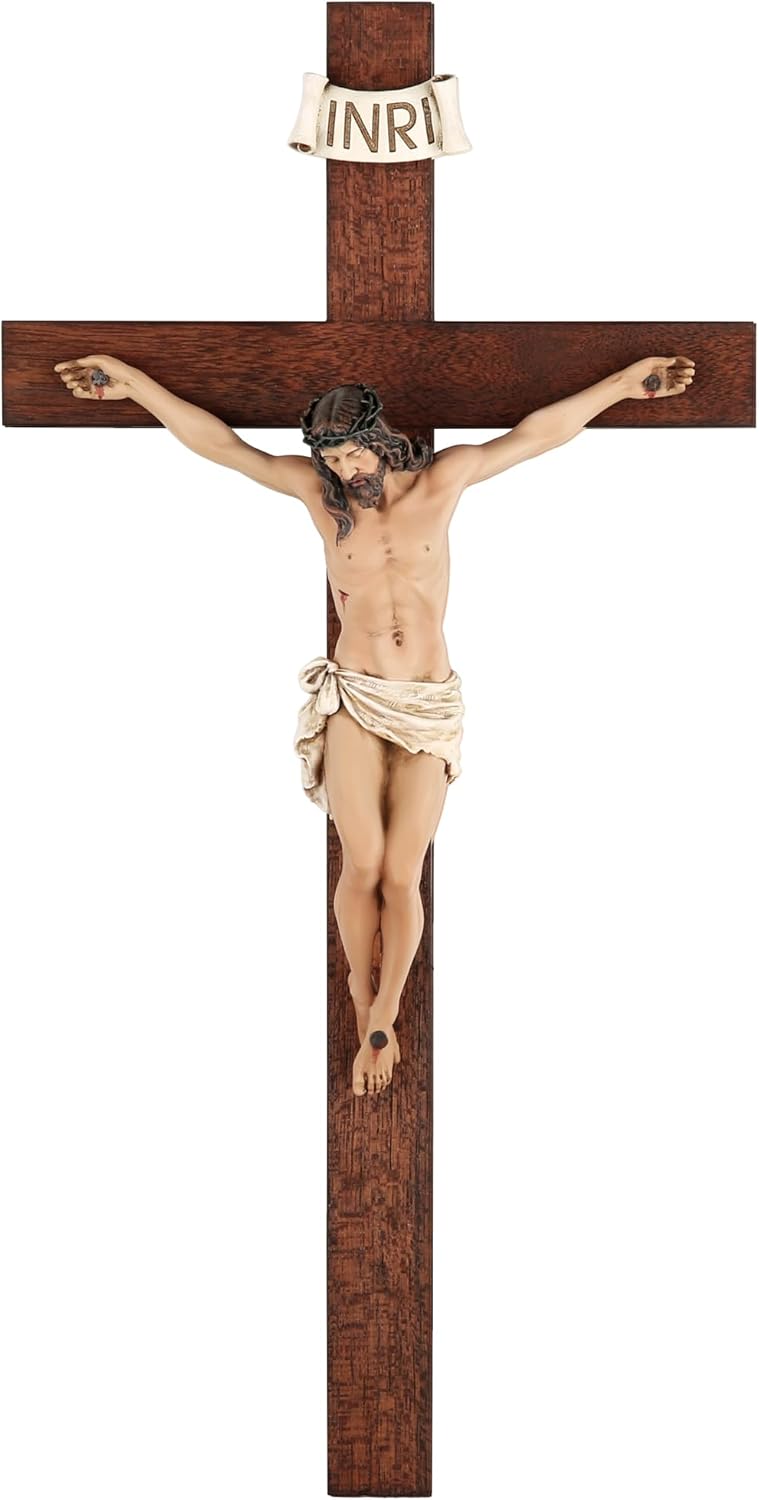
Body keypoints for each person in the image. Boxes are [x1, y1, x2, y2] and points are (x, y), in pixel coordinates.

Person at [53, 352, 696, 1095]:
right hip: (356, 695)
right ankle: (363, 1005)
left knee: (402, 870)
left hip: (426, 703)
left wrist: (623, 384)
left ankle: (387, 1014)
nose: (345, 468)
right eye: (331, 458)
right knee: (361, 863)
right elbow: (223, 446)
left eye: (353, 453)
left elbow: (536, 434)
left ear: (381, 439)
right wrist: (133, 385)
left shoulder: (443, 481)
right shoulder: (317, 497)